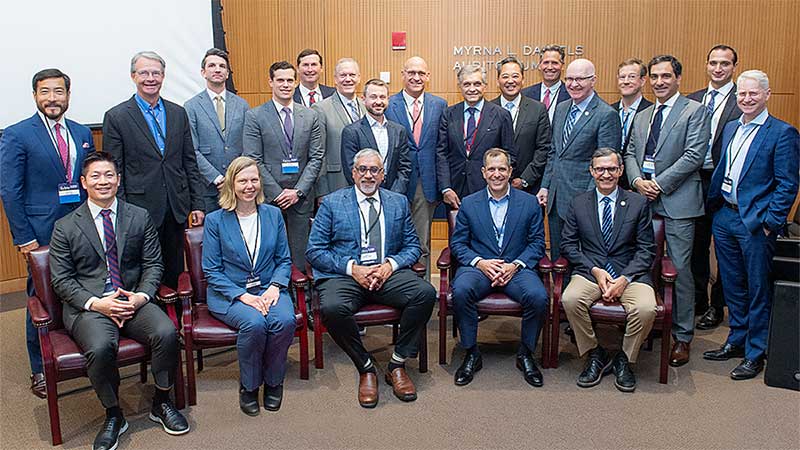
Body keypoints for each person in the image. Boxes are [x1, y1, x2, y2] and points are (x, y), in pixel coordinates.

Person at [49, 152, 189, 450]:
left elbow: (154, 264)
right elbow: (61, 280)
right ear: (84, 182)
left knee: (165, 333)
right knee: (101, 347)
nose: (103, 181)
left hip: (132, 299)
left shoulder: (138, 216)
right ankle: (113, 413)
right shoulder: (65, 226)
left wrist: (140, 297)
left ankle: (161, 400)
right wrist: (98, 304)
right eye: (96, 176)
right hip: (91, 306)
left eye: (109, 175)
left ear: (118, 179)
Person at [306, 149, 436, 408]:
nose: (368, 175)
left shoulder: (397, 202)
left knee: (425, 293)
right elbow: (315, 250)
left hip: (386, 274)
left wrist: (390, 265)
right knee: (331, 307)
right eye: (362, 169)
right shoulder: (332, 203)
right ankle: (365, 366)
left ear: (383, 175)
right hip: (347, 275)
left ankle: (397, 363)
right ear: (353, 173)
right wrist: (352, 268)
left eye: (374, 170)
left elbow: (413, 246)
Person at [0, 68, 95, 398]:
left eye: (59, 92)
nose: (52, 98)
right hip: (41, 233)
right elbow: (10, 191)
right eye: (45, 92)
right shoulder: (17, 134)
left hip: (82, 228)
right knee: (41, 298)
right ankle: (40, 368)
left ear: (68, 96)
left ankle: (80, 353)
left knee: (81, 288)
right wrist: (24, 237)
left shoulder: (82, 132)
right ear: (35, 96)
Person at [704, 70, 799, 380]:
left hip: (756, 223)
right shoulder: (732, 127)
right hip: (726, 216)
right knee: (731, 285)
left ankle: (756, 352)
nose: (746, 99)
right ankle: (736, 339)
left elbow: (787, 184)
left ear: (767, 95)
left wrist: (771, 223)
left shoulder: (782, 133)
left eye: (753, 94)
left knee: (757, 287)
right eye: (742, 94)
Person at [625, 55, 710, 367]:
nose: (660, 82)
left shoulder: (695, 111)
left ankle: (682, 336)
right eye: (655, 77)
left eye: (666, 76)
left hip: (678, 203)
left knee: (680, 270)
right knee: (644, 262)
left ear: (678, 79)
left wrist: (657, 183)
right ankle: (656, 322)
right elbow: (631, 152)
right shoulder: (644, 114)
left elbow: (693, 156)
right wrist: (636, 180)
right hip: (643, 200)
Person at [203, 156, 298, 414]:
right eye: (242, 180)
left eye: (254, 179)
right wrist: (243, 296)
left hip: (269, 288)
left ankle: (274, 381)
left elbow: (284, 259)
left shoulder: (273, 214)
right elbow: (211, 270)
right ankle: (249, 386)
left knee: (285, 321)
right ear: (231, 184)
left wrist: (275, 287)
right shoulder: (215, 221)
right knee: (254, 323)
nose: (249, 185)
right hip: (230, 294)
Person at [103, 51, 205, 288]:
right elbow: (114, 169)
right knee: (143, 267)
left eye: (156, 73)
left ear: (163, 76)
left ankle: (177, 316)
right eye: (144, 73)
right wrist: (120, 209)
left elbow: (189, 161)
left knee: (175, 267)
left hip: (175, 206)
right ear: (133, 76)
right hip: (138, 208)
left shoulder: (178, 113)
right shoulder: (117, 116)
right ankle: (149, 316)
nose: (150, 78)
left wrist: (197, 203)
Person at [449, 149, 549, 387]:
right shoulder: (469, 204)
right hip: (480, 268)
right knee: (461, 291)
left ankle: (525, 353)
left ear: (510, 171)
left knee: (538, 296)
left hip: (517, 267)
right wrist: (480, 263)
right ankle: (471, 352)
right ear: (483, 173)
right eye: (491, 169)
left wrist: (515, 265)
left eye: (502, 169)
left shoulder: (529, 203)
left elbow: (537, 243)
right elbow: (458, 244)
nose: (497, 174)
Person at [560, 148, 657, 393]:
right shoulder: (578, 203)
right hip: (591, 272)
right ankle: (595, 353)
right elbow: (569, 245)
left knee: (646, 308)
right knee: (570, 299)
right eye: (600, 169)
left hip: (630, 274)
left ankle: (625, 357)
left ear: (621, 171)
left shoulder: (637, 203)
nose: (606, 174)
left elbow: (647, 249)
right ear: (592, 171)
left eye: (612, 169)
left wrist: (624, 278)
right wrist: (594, 270)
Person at [243, 60, 323, 271]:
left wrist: (297, 191)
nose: (285, 84)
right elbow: (253, 159)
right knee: (269, 252)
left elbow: (316, 158)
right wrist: (278, 193)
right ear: (270, 82)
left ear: (296, 82)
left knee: (300, 254)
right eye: (280, 80)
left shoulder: (311, 116)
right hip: (269, 198)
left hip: (301, 197)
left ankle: (301, 298)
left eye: (290, 80)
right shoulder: (254, 116)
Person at [538, 58, 621, 259]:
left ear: (593, 80)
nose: (574, 84)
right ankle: (561, 290)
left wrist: (590, 198)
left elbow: (606, 167)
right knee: (559, 255)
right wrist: (545, 185)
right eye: (569, 79)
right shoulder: (562, 108)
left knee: (583, 257)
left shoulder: (605, 114)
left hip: (585, 198)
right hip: (556, 197)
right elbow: (554, 152)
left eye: (580, 79)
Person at [687, 44, 741, 330]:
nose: (718, 68)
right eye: (713, 63)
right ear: (706, 65)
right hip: (693, 179)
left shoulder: (740, 100)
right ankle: (699, 300)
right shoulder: (693, 99)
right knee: (696, 244)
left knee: (723, 247)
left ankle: (718, 306)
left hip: (723, 182)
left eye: (724, 63)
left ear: (734, 67)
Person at [385, 56, 447, 279]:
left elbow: (442, 146)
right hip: (395, 182)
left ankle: (423, 291)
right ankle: (397, 287)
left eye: (421, 73)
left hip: (427, 182)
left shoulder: (439, 105)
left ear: (428, 76)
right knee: (394, 238)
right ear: (402, 74)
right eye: (411, 72)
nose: (416, 77)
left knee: (422, 240)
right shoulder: (388, 104)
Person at [436, 63, 514, 210]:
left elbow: (510, 154)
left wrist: (498, 184)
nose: (472, 89)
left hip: (489, 190)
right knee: (458, 233)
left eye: (477, 84)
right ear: (460, 87)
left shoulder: (501, 115)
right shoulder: (449, 114)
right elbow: (442, 154)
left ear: (485, 86)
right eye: (467, 84)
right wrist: (446, 188)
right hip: (455, 192)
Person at [185, 48, 250, 213]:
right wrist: (217, 178)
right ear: (203, 72)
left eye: (222, 66)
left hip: (238, 185)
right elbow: (192, 150)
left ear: (227, 73)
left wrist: (234, 176)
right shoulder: (191, 106)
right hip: (207, 189)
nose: (217, 69)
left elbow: (248, 144)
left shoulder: (242, 105)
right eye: (212, 65)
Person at [491, 56, 552, 193]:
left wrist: (525, 179)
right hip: (493, 185)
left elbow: (544, 148)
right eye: (505, 76)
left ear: (523, 80)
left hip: (529, 187)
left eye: (515, 76)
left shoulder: (538, 109)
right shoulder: (488, 109)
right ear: (498, 81)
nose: (510, 81)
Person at [341, 79, 411, 194]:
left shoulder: (399, 131)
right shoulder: (351, 132)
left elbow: (404, 167)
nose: (378, 102)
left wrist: (395, 194)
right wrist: (369, 192)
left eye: (382, 97)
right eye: (373, 97)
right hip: (363, 194)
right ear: (363, 99)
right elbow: (351, 170)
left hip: (394, 195)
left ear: (388, 99)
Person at [313, 58, 365, 197]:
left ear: (359, 78)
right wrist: (321, 191)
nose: (348, 79)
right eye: (343, 75)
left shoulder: (366, 107)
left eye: (352, 75)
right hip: (335, 182)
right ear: (335, 79)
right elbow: (318, 154)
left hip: (366, 181)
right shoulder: (321, 109)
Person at [611, 58, 653, 191]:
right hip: (610, 181)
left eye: (632, 77)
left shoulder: (652, 112)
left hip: (640, 183)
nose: (626, 81)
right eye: (622, 77)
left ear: (642, 81)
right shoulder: (608, 110)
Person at [521, 45, 571, 122]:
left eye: (554, 63)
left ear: (562, 66)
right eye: (546, 62)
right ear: (540, 66)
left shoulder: (571, 94)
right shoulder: (525, 94)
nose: (550, 67)